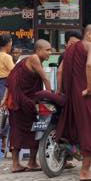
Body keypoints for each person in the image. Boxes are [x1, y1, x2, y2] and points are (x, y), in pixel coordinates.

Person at [56, 24, 91, 181]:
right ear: (88, 34)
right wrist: (89, 88)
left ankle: (87, 166)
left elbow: (60, 71)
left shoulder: (71, 49)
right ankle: (85, 171)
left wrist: (60, 91)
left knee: (84, 128)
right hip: (89, 94)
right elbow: (89, 64)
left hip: (74, 94)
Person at [5, 39, 54, 173]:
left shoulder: (34, 61)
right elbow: (45, 78)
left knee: (35, 130)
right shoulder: (33, 58)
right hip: (20, 102)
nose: (50, 52)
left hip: (29, 102)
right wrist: (50, 97)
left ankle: (32, 161)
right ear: (38, 50)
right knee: (18, 131)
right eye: (47, 50)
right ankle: (15, 163)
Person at [0, 34, 15, 107]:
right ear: (8, 44)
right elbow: (14, 72)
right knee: (8, 107)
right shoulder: (7, 57)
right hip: (7, 85)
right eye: (11, 42)